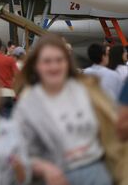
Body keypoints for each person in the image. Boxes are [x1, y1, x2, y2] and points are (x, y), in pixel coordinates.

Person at [14, 34, 124, 185]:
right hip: (55, 177)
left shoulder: (87, 90)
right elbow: (19, 152)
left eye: (59, 60)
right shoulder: (28, 103)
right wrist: (44, 168)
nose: (54, 66)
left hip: (96, 172)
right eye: (47, 61)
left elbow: (112, 128)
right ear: (36, 65)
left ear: (68, 63)